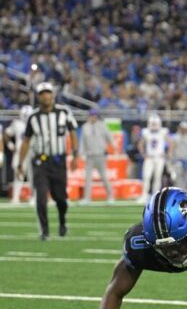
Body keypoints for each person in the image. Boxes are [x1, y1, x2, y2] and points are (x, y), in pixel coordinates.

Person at [16, 82, 79, 240]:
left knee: (61, 198)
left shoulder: (64, 112)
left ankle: (62, 222)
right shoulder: (33, 117)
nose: (46, 96)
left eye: (48, 92)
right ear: (38, 97)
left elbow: (72, 133)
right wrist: (20, 163)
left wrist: (75, 155)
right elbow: (26, 141)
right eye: (43, 93)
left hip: (59, 160)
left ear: (53, 94)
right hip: (40, 161)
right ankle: (44, 231)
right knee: (41, 197)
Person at [80, 108, 115, 203]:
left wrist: (114, 146)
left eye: (95, 115)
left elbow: (109, 137)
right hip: (90, 155)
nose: (93, 117)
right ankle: (87, 198)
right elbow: (82, 142)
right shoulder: (85, 127)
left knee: (104, 176)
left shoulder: (102, 125)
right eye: (91, 115)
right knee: (87, 178)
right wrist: (81, 153)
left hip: (101, 155)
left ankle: (111, 196)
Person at [138, 114, 171, 202]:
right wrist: (143, 154)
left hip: (159, 157)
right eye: (152, 123)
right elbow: (140, 144)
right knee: (146, 176)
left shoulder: (163, 131)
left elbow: (171, 142)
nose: (153, 125)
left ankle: (155, 196)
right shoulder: (146, 132)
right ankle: (144, 195)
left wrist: (167, 153)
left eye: (155, 123)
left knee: (157, 177)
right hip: (149, 157)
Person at [4, 105, 33, 203]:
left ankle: (34, 197)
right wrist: (10, 144)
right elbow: (6, 133)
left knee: (33, 175)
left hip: (32, 152)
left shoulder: (35, 123)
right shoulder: (17, 124)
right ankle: (16, 197)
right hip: (20, 152)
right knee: (18, 175)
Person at [172, 121, 187, 190]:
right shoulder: (175, 137)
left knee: (185, 178)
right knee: (177, 177)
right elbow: (173, 149)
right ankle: (177, 191)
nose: (184, 130)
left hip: (186, 160)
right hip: (177, 159)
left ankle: (184, 191)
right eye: (183, 128)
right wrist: (172, 159)